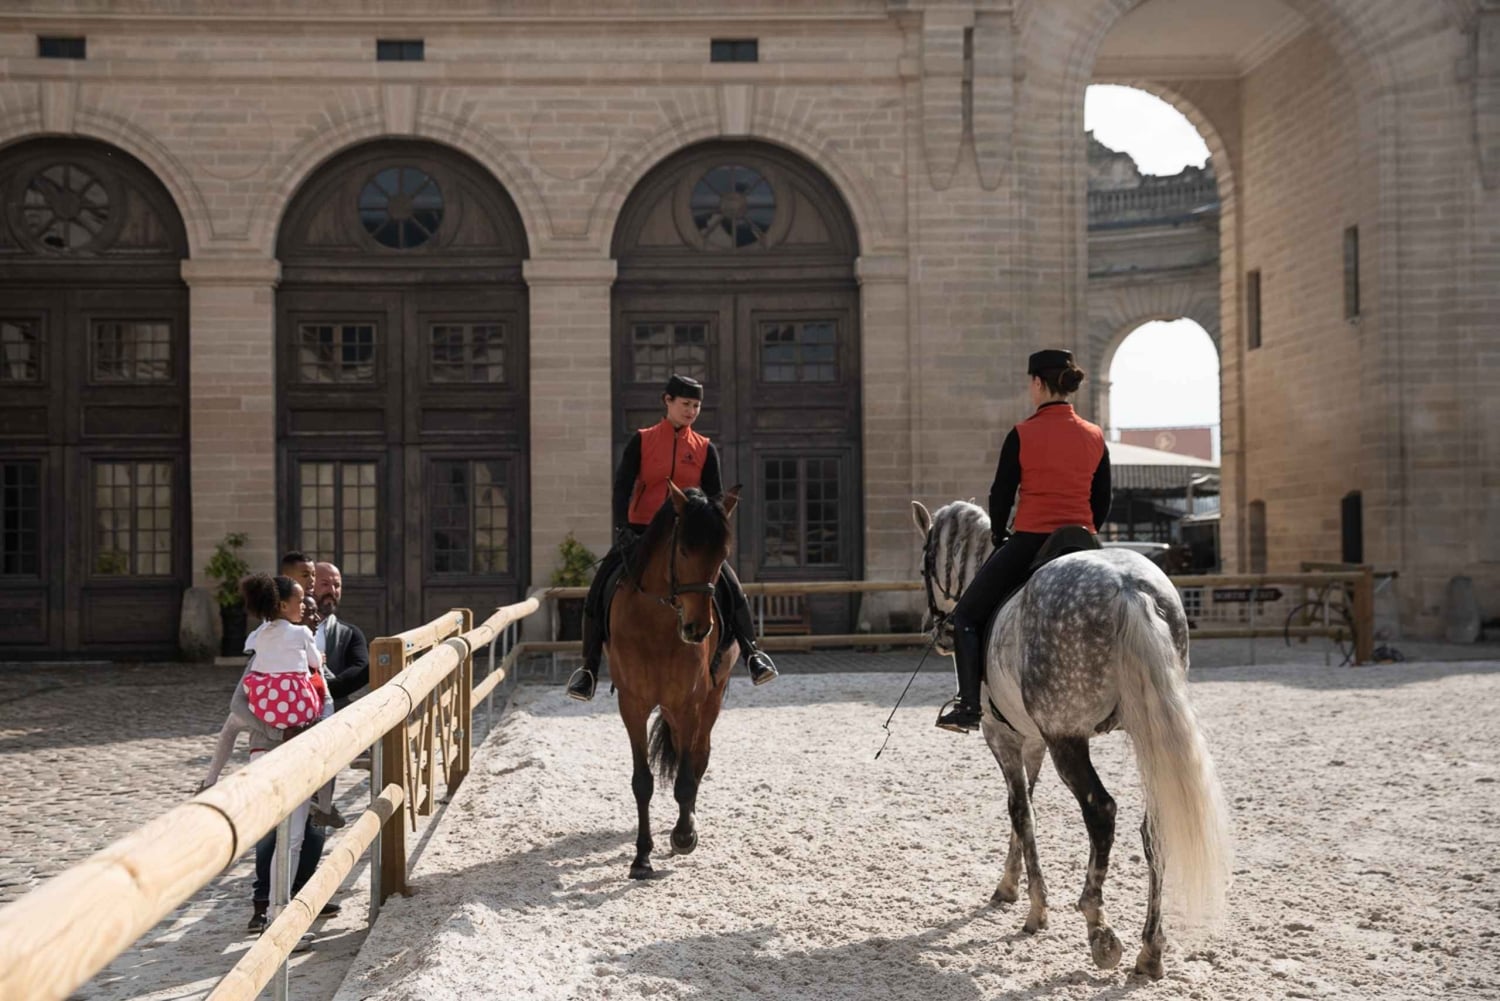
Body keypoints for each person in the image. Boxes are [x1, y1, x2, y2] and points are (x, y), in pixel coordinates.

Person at [566, 372, 779, 701]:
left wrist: (711, 534)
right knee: (599, 589)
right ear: (667, 401)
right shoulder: (642, 440)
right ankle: (588, 670)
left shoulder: (705, 448)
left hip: (689, 539)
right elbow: (622, 487)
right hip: (642, 533)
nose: (691, 411)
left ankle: (753, 654)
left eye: (696, 406)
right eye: (685, 404)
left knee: (732, 586)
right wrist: (623, 528)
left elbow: (714, 498)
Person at [935, 349, 1112, 733]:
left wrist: (1000, 534)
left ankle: (968, 706)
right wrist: (1086, 530)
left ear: (1037, 383)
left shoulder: (1023, 433)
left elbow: (1001, 494)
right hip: (1085, 542)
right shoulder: (1095, 435)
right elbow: (1103, 499)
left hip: (1033, 540)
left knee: (965, 616)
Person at [314, 562, 370, 710]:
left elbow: (360, 669)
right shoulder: (284, 628)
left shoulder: (350, 633)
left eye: (337, 585)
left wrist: (322, 689)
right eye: (325, 584)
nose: (332, 590)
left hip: (332, 713)